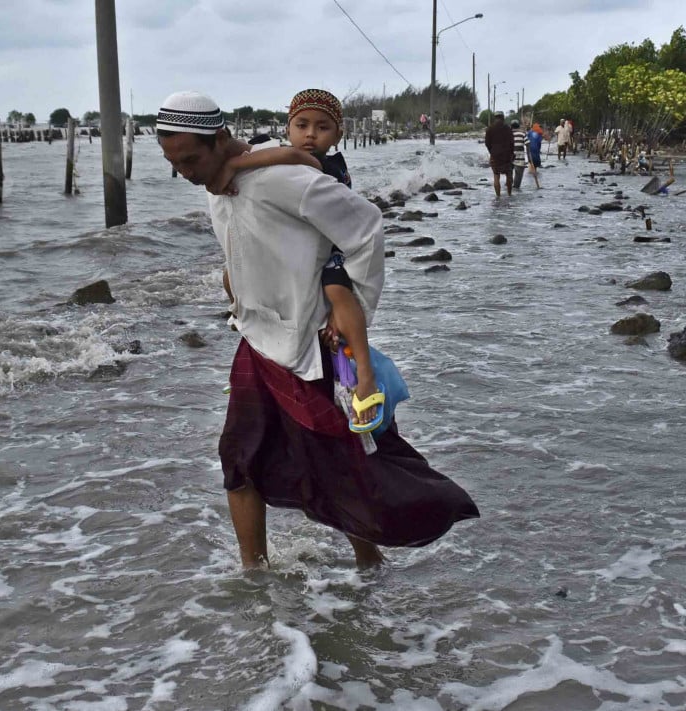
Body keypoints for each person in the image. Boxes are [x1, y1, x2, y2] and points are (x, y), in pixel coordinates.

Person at [157, 91, 479, 570]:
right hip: (255, 341)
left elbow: (366, 227)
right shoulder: (215, 183)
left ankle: (370, 564)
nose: (183, 171)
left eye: (189, 158)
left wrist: (354, 315)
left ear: (220, 140)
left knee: (341, 471)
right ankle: (253, 575)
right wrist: (236, 290)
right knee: (239, 461)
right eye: (172, 161)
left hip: (307, 346)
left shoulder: (286, 182)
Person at [208, 89, 381, 430]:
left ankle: (364, 374)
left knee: (336, 291)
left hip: (331, 250)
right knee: (231, 277)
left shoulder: (324, 165)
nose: (310, 135)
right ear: (288, 127)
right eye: (301, 125)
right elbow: (276, 154)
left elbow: (295, 160)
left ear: (339, 135)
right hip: (300, 247)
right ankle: (251, 341)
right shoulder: (282, 155)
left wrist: (234, 164)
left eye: (322, 127)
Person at [483, 112, 514, 197]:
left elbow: (487, 143)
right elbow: (512, 143)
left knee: (496, 176)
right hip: (507, 155)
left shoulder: (490, 129)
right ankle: (509, 194)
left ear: (495, 118)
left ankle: (498, 196)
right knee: (509, 174)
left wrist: (492, 151)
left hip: (495, 155)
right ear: (503, 118)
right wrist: (511, 153)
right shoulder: (508, 128)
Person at [526, 123, 545, 189]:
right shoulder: (539, 133)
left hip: (530, 149)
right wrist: (539, 149)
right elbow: (539, 143)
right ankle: (534, 172)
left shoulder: (529, 133)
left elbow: (526, 141)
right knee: (535, 164)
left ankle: (531, 172)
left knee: (531, 163)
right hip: (536, 150)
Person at [510, 120, 527, 190]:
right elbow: (528, 144)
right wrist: (529, 157)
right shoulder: (523, 134)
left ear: (511, 127)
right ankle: (516, 190)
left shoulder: (507, 134)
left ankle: (509, 191)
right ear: (519, 126)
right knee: (518, 179)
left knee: (509, 176)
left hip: (509, 157)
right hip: (520, 158)